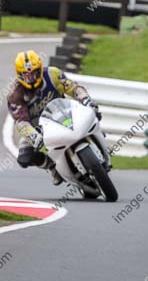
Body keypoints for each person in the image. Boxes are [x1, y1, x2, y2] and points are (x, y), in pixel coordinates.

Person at [7, 50, 100, 186]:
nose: (31, 78)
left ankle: (99, 139)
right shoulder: (14, 95)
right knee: (24, 157)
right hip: (38, 128)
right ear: (19, 75)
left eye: (34, 73)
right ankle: (52, 167)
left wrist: (85, 99)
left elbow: (73, 88)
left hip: (64, 112)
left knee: (94, 113)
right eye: (27, 75)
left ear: (40, 69)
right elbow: (21, 121)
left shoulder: (53, 74)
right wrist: (33, 136)